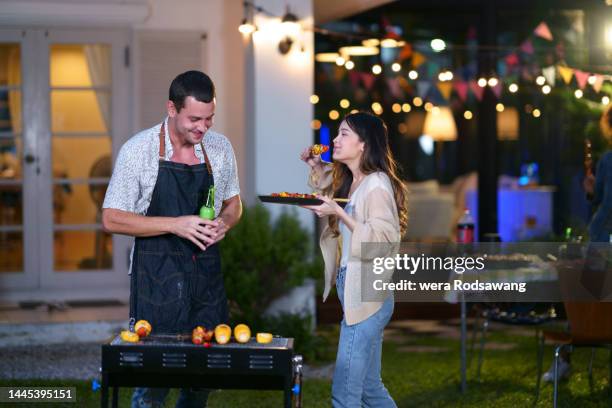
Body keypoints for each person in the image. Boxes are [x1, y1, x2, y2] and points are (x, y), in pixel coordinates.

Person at [102, 70, 242, 407]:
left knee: (202, 376)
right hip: (157, 278)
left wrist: (224, 222)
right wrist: (176, 224)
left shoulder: (220, 148)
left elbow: (235, 203)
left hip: (206, 276)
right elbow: (111, 218)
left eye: (209, 119)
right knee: (154, 378)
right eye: (194, 119)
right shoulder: (139, 150)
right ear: (171, 109)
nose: (203, 128)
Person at [301, 111, 407, 407]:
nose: (336, 139)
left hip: (368, 292)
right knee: (370, 389)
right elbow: (331, 197)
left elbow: (385, 240)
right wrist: (315, 166)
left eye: (344, 134)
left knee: (345, 391)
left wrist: (340, 214)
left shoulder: (376, 185)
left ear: (364, 144)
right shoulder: (356, 180)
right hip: (359, 288)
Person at [541, 104, 612, 383]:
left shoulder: (608, 159)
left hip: (602, 238)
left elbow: (602, 203)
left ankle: (564, 360)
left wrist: (591, 189)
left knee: (584, 301)